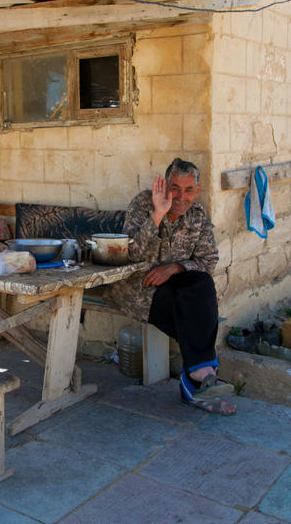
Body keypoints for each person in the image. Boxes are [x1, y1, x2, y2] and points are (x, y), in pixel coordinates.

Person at [106, 157, 235, 415]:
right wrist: (157, 215)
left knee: (202, 284)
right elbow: (130, 253)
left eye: (189, 190)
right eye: (175, 188)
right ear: (165, 185)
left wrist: (174, 268)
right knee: (193, 315)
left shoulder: (197, 215)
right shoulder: (144, 204)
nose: (181, 196)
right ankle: (201, 377)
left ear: (197, 191)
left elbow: (208, 260)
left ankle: (198, 378)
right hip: (139, 291)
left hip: (177, 289)